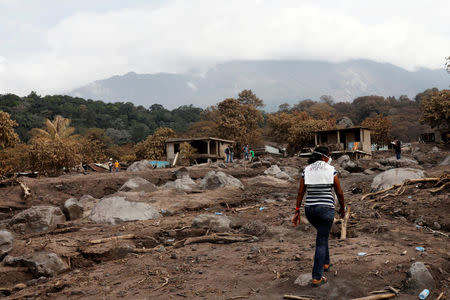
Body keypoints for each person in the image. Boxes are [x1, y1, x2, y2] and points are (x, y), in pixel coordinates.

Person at [292, 146, 345, 287]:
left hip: (310, 211)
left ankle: (326, 263)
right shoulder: (330, 169)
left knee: (323, 234)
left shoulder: (306, 170)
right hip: (326, 209)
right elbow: (339, 192)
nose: (330, 157)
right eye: (329, 155)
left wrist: (297, 210)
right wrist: (343, 208)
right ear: (323, 156)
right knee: (321, 240)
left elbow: (300, 192)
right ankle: (317, 277)